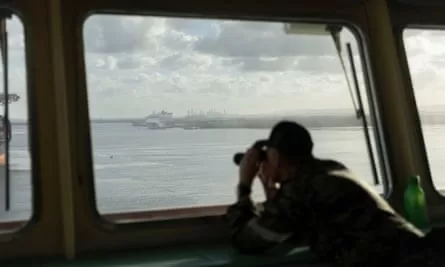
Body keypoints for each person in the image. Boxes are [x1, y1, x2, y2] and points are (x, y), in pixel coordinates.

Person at [226, 121, 443, 267]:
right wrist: (271, 190)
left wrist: (244, 184)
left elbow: (246, 241)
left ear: (274, 156)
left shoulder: (303, 189)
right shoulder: (329, 169)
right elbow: (288, 228)